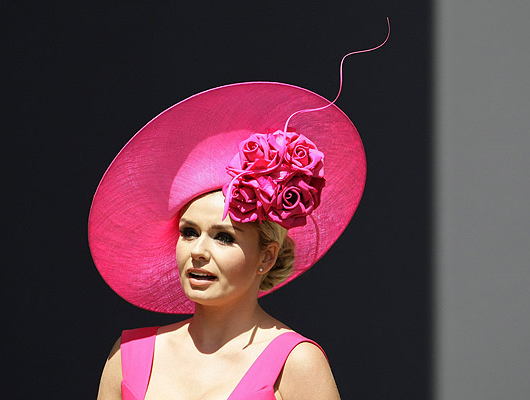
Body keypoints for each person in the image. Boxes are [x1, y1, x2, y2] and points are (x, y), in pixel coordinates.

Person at [90, 26, 388, 399]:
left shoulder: (296, 364)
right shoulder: (128, 356)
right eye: (188, 232)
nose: (198, 250)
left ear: (267, 255)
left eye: (224, 236)